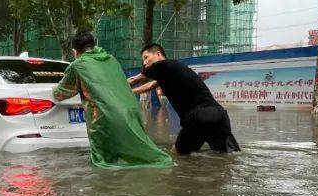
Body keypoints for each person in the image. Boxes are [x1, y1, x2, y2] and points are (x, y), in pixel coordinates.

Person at [53, 31, 173, 169]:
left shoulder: (77, 66)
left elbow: (60, 93)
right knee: (135, 154)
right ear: (94, 45)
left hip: (105, 116)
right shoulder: (111, 60)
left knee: (104, 161)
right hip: (131, 112)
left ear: (75, 52)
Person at [129, 44, 240, 154]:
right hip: (219, 115)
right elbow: (150, 85)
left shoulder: (162, 65)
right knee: (227, 155)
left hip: (199, 116)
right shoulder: (172, 70)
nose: (144, 62)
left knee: (177, 156)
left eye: (146, 57)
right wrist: (132, 91)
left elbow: (134, 79)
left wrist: (118, 85)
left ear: (158, 54)